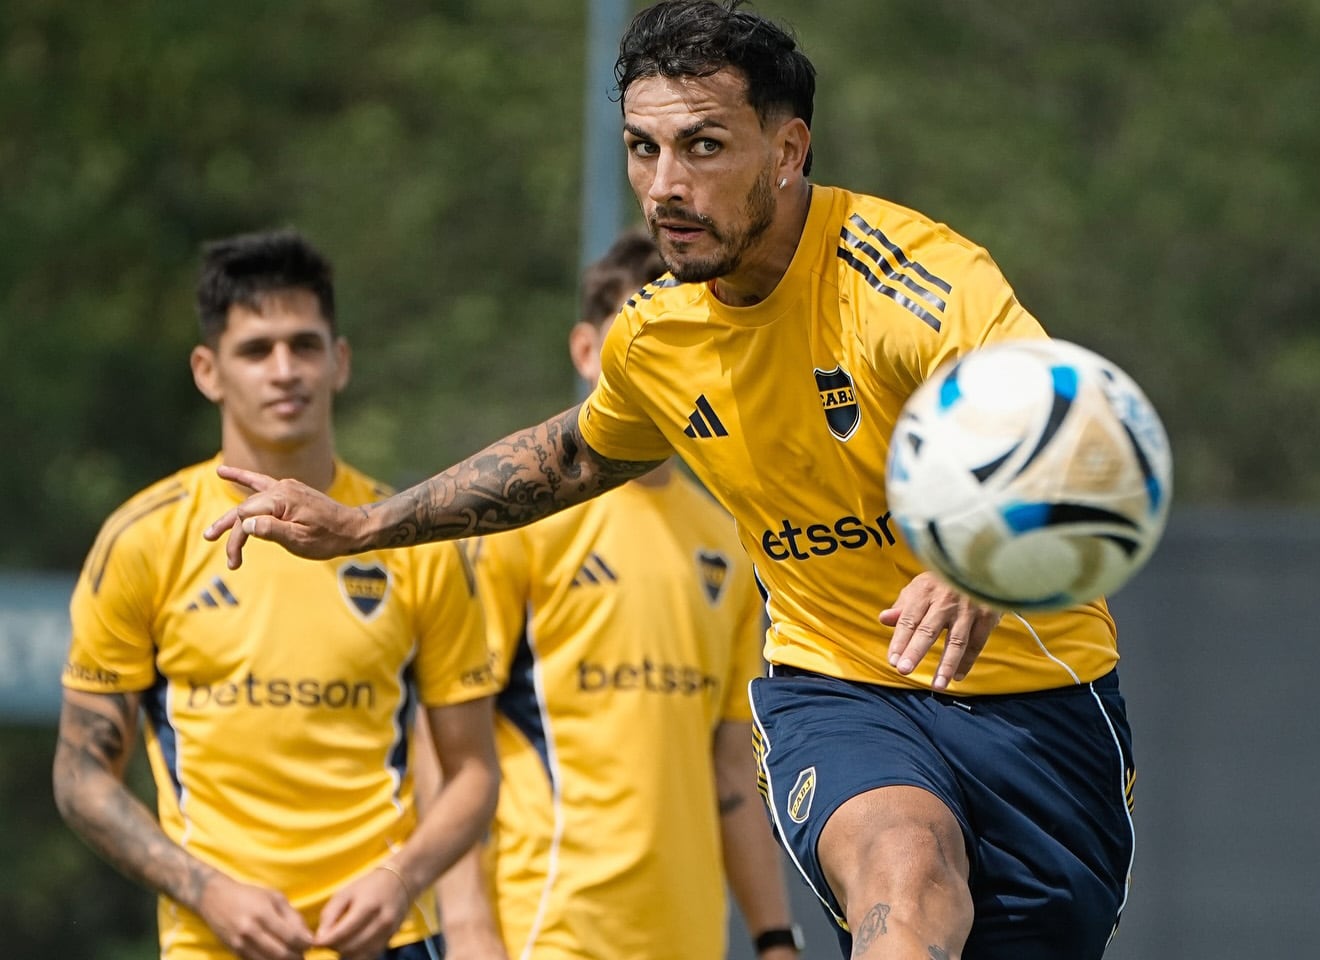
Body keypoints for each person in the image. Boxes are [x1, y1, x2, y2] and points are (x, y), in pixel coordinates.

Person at [204, 3, 1139, 958]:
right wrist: (361, 526)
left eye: (702, 146)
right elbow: (571, 455)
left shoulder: (911, 280)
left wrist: (973, 553)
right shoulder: (657, 334)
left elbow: (1075, 419)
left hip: (1039, 703)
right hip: (839, 686)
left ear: (788, 150)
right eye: (642, 150)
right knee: (903, 865)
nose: (665, 186)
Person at [53, 228, 502, 960]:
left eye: (305, 345)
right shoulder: (142, 539)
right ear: (208, 370)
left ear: (341, 361)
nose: (284, 370)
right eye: (256, 350)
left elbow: (475, 772)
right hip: (214, 939)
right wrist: (205, 890)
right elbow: (79, 776)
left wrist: (401, 877)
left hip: (387, 936)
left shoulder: (408, 538)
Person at [429, 227, 801, 960]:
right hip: (549, 930)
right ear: (584, 351)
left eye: (683, 334)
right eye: (639, 334)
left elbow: (729, 767)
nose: (662, 358)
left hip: (689, 938)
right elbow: (443, 744)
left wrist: (774, 938)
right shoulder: (523, 524)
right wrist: (467, 925)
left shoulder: (730, 535)